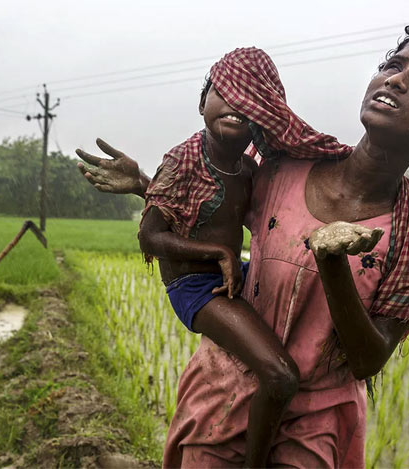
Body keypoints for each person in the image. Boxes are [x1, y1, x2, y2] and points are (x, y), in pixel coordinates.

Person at [135, 47, 385, 468]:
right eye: (224, 92)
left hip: (233, 273)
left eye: (249, 101)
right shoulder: (183, 159)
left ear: (264, 119)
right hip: (195, 286)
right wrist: (217, 252)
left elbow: (272, 226)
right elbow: (150, 237)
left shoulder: (252, 171)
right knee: (281, 375)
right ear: (202, 103)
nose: (235, 106)